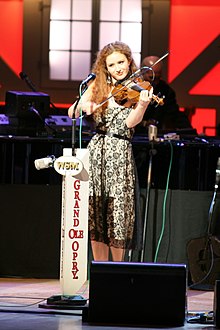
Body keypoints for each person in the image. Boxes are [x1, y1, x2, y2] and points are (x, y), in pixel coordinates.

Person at [68, 41, 153, 262]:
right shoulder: (97, 84)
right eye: (112, 64)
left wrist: (142, 105)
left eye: (121, 62)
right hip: (97, 151)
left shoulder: (138, 86)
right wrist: (84, 106)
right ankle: (99, 272)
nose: (118, 68)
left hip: (120, 151)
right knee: (97, 212)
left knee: (118, 214)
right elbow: (71, 112)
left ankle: (118, 272)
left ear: (129, 61)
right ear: (105, 67)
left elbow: (130, 123)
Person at [137, 55, 192, 131]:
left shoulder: (166, 90)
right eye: (151, 77)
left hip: (156, 132)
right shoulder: (134, 88)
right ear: (142, 73)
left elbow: (174, 113)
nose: (154, 82)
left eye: (157, 78)